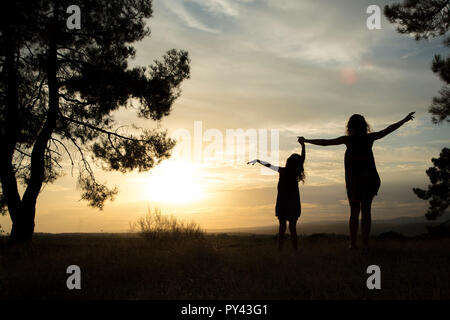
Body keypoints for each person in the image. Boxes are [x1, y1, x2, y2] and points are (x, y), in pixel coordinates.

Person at [298, 112, 415, 249]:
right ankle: (364, 243)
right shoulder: (369, 138)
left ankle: (353, 244)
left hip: (355, 182)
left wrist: (306, 141)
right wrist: (404, 120)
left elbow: (326, 143)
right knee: (366, 211)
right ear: (364, 125)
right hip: (370, 179)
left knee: (354, 212)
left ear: (350, 126)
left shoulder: (349, 140)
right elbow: (388, 130)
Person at [247, 141, 306, 251]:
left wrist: (258, 160)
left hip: (283, 203)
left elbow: (269, 165)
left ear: (288, 162)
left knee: (282, 228)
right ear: (298, 164)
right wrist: (303, 145)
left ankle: (280, 251)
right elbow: (302, 158)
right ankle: (295, 252)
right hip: (293, 203)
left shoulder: (282, 171)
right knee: (292, 229)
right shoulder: (295, 172)